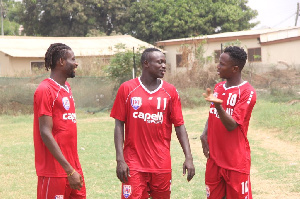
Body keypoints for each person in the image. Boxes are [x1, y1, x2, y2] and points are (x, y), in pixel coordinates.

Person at [110, 48, 195, 199]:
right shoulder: (127, 88)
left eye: (164, 62)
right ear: (146, 64)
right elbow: (118, 125)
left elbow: (179, 125)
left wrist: (188, 157)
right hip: (133, 163)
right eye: (159, 62)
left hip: (161, 163)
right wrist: (120, 159)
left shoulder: (170, 91)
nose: (164, 66)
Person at [200, 46, 256, 199]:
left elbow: (232, 125)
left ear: (235, 68)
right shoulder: (218, 87)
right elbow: (212, 115)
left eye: (222, 64)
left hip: (235, 163)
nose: (218, 67)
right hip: (215, 160)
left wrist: (218, 106)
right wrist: (204, 133)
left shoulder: (247, 92)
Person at [33, 43, 86, 199]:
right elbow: (45, 132)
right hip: (55, 171)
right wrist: (68, 170)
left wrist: (72, 170)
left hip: (73, 167)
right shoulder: (45, 90)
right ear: (61, 61)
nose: (76, 63)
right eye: (72, 59)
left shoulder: (67, 87)